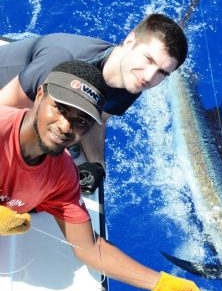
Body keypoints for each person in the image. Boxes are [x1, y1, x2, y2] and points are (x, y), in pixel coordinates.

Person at [0, 60, 202, 291]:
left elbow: (89, 248)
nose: (65, 127)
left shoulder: (63, 175)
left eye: (81, 121)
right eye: (60, 109)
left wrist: (160, 283)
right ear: (40, 94)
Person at [0, 13, 188, 193]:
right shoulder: (63, 60)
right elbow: (4, 108)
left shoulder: (133, 82)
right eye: (148, 59)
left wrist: (97, 165)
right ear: (130, 41)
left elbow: (99, 120)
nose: (149, 76)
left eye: (162, 73)